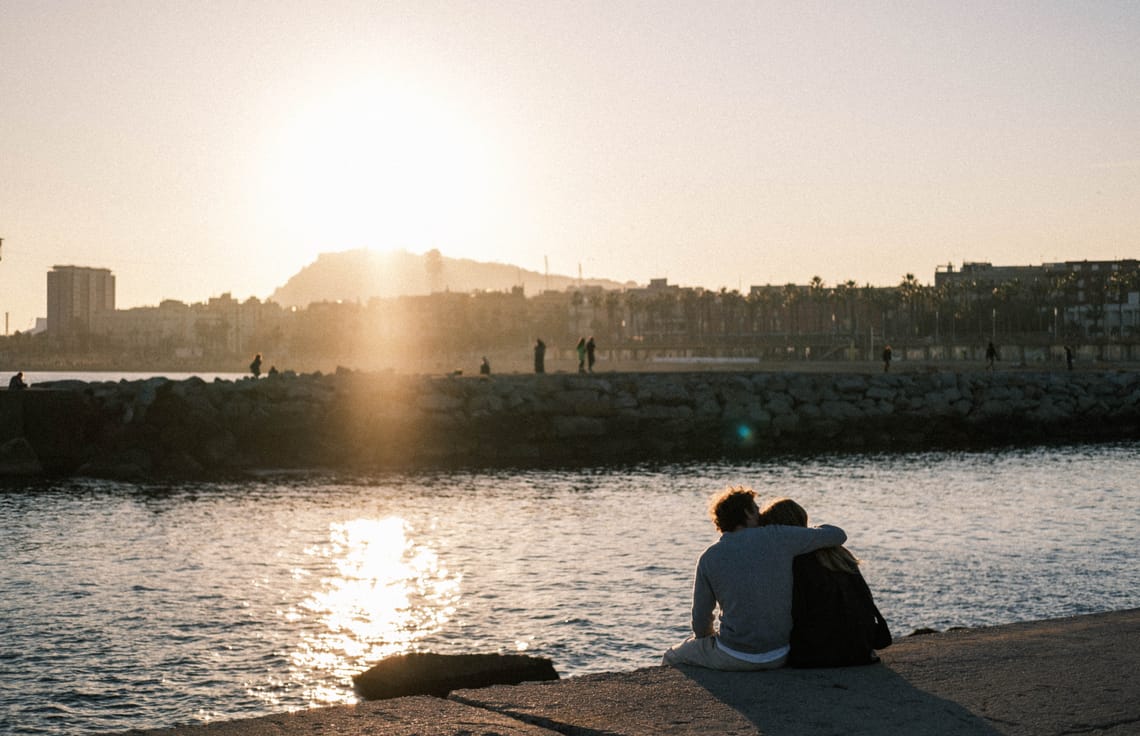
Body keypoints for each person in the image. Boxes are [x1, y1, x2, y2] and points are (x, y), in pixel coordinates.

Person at [663, 486, 846, 671]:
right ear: (747, 513)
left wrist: (706, 641)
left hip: (733, 654)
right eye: (756, 509)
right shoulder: (778, 536)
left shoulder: (709, 557)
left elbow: (701, 619)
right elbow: (838, 535)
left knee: (672, 655)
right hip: (780, 653)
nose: (760, 514)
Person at [759, 498, 891, 667]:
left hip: (817, 653)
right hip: (861, 648)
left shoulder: (794, 561)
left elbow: (793, 611)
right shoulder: (839, 553)